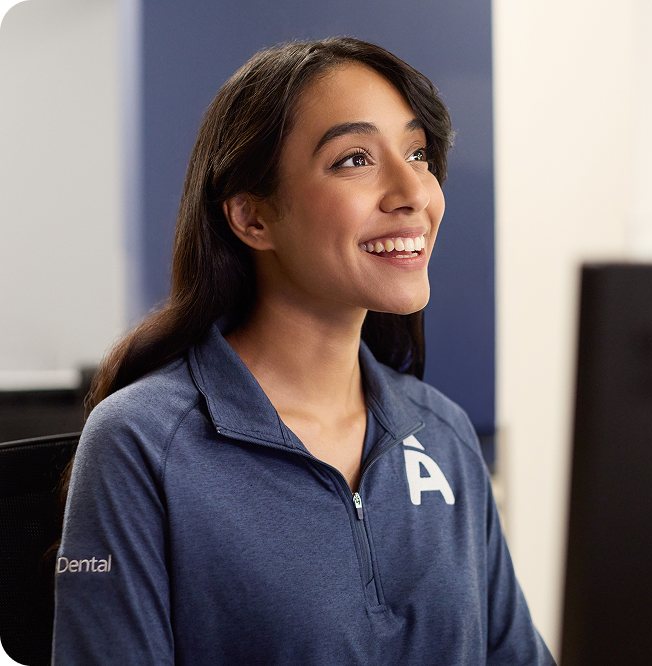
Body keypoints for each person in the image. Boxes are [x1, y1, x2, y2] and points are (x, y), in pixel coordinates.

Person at [51, 37, 555, 665]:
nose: (414, 193)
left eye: (418, 152)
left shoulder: (443, 432)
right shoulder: (141, 443)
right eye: (354, 159)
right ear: (252, 218)